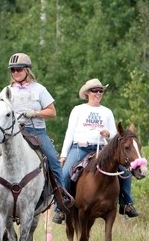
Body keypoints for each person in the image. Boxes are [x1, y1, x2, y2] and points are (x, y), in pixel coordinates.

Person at [0, 53, 70, 225]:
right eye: (13, 70)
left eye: (19, 69)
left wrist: (35, 113)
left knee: (53, 158)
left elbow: (52, 112)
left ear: (27, 70)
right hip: (11, 131)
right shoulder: (6, 91)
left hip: (35, 131)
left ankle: (61, 195)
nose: (15, 72)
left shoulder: (39, 89)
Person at [52, 79, 138, 224]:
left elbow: (115, 134)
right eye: (94, 90)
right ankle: (60, 209)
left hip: (102, 149)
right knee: (65, 173)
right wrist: (64, 155)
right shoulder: (78, 110)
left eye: (100, 91)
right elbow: (70, 132)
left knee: (126, 172)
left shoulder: (107, 112)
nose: (98, 93)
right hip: (80, 148)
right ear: (87, 93)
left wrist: (108, 133)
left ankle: (126, 204)